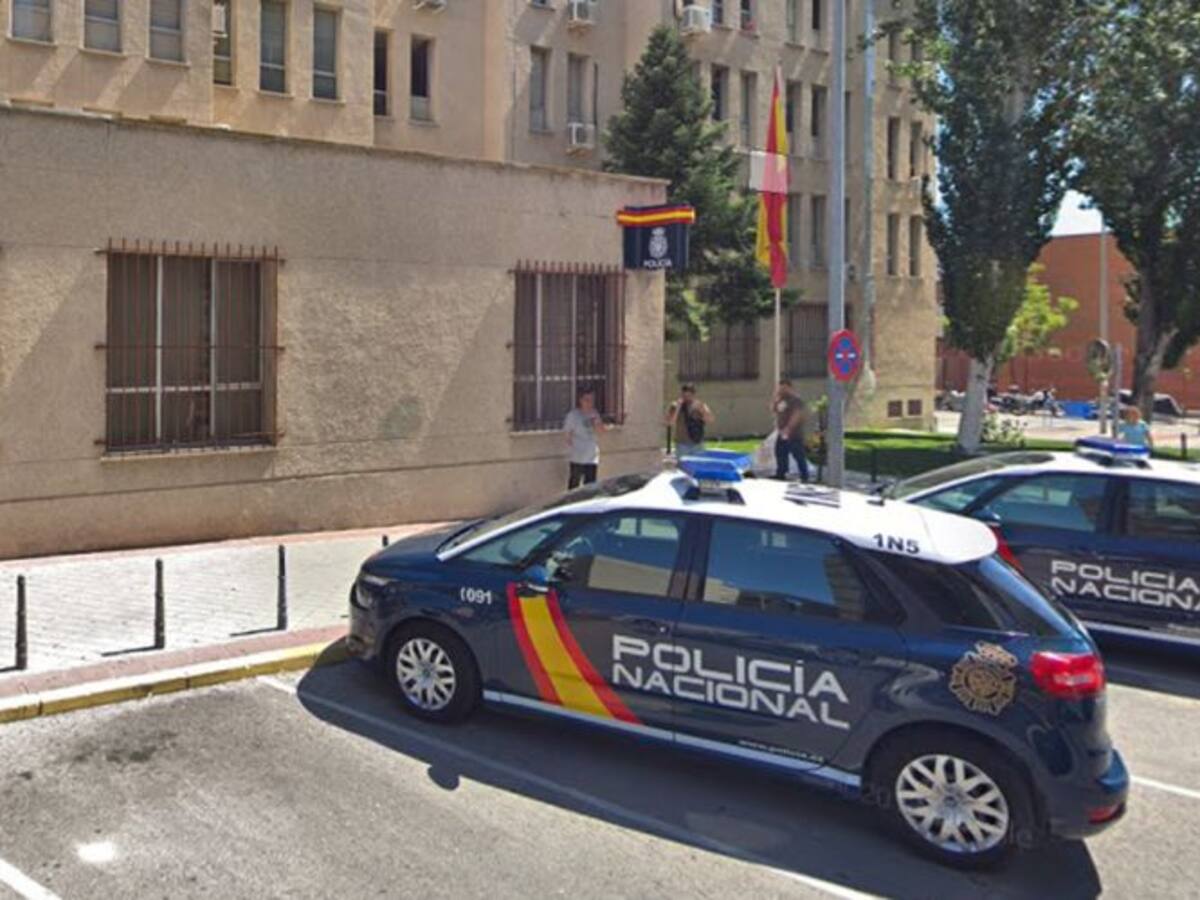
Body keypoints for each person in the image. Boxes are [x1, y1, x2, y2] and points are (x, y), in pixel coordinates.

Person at [563, 387, 610, 489]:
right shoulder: (573, 415)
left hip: (592, 457)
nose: (589, 403)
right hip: (577, 457)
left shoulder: (594, 413)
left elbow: (601, 432)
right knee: (574, 486)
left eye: (591, 400)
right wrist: (574, 448)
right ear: (581, 400)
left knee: (590, 487)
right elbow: (567, 435)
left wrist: (597, 423)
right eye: (587, 400)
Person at [771, 380, 810, 482]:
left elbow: (796, 415)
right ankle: (781, 473)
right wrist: (776, 399)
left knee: (798, 454)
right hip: (782, 433)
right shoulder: (781, 400)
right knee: (780, 453)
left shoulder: (796, 401)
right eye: (780, 388)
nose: (782, 390)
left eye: (784, 388)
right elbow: (774, 410)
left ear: (790, 388)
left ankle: (804, 475)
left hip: (794, 433)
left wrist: (788, 428)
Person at [666, 383, 715, 458]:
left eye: (689, 396)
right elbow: (670, 423)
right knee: (683, 464)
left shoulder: (700, 405)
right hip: (682, 444)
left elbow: (710, 420)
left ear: (694, 395)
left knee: (699, 464)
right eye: (685, 396)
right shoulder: (675, 406)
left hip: (698, 443)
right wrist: (678, 408)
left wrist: (702, 411)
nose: (687, 399)